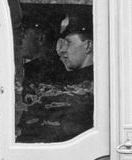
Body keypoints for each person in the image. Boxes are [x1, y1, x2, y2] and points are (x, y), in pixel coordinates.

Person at [16, 10, 94, 143]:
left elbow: (58, 127)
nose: (62, 51)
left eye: (68, 43)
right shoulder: (72, 77)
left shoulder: (92, 84)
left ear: (87, 46)